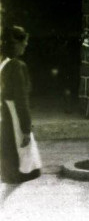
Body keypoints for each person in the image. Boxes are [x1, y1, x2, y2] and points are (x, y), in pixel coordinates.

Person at [0, 25, 41, 184]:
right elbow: (21, 101)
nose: (26, 44)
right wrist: (26, 128)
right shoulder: (17, 66)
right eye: (24, 41)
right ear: (16, 43)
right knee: (23, 164)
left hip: (4, 117)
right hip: (14, 117)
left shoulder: (3, 63)